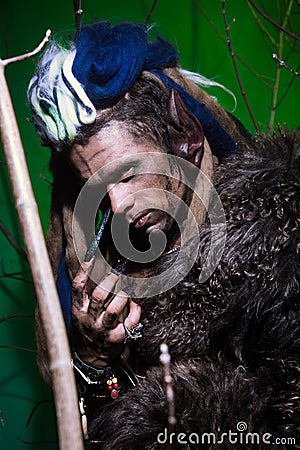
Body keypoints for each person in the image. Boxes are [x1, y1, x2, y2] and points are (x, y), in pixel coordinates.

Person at [27, 21, 254, 444]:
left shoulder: (274, 234)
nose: (116, 207)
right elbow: (103, 431)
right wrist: (97, 356)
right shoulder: (114, 263)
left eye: (129, 174)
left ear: (185, 140)